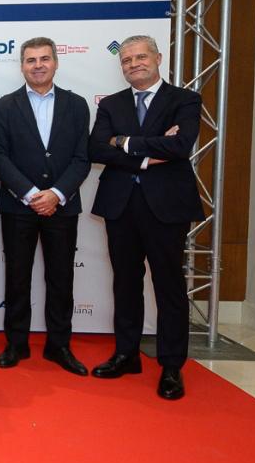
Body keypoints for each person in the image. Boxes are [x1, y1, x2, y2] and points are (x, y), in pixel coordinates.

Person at [88, 35, 205, 400]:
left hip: (166, 205)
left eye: (140, 57)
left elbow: (180, 146)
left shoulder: (184, 99)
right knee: (125, 282)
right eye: (126, 60)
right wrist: (149, 151)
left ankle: (171, 365)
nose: (134, 64)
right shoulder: (111, 104)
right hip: (120, 204)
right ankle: (126, 354)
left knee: (169, 285)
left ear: (157, 58)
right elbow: (96, 148)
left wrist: (124, 141)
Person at [0, 37, 91, 375]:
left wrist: (56, 194)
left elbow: (82, 157)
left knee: (61, 279)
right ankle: (16, 344)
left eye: (44, 59)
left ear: (55, 63)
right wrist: (31, 193)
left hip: (62, 207)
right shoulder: (4, 106)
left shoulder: (76, 105)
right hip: (19, 207)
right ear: (22, 65)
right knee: (16, 278)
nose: (38, 65)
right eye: (31, 60)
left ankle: (59, 346)